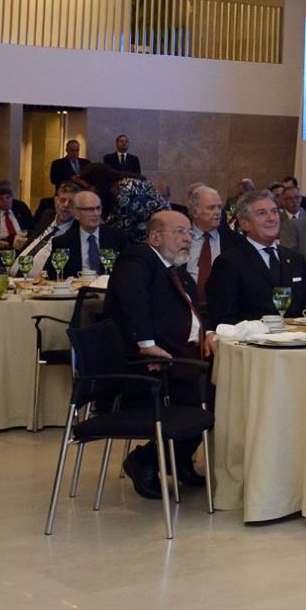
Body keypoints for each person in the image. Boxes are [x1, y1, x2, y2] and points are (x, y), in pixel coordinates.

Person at [105, 209, 210, 498]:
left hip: (182, 357)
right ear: (154, 237)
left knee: (223, 386)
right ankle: (145, 460)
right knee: (213, 393)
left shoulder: (175, 269)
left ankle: (179, 460)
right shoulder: (138, 259)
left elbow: (194, 313)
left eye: (189, 233)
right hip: (145, 364)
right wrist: (146, 344)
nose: (187, 238)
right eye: (179, 232)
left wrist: (210, 333)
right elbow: (133, 298)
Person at [209, 190, 306, 323]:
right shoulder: (229, 262)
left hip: (296, 334)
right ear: (244, 223)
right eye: (262, 213)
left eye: (274, 211)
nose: (271, 218)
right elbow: (222, 316)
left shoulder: (296, 259)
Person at [185, 184, 227, 297]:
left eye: (219, 207)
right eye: (211, 208)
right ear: (195, 212)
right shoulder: (180, 239)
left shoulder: (234, 241)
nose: (218, 212)